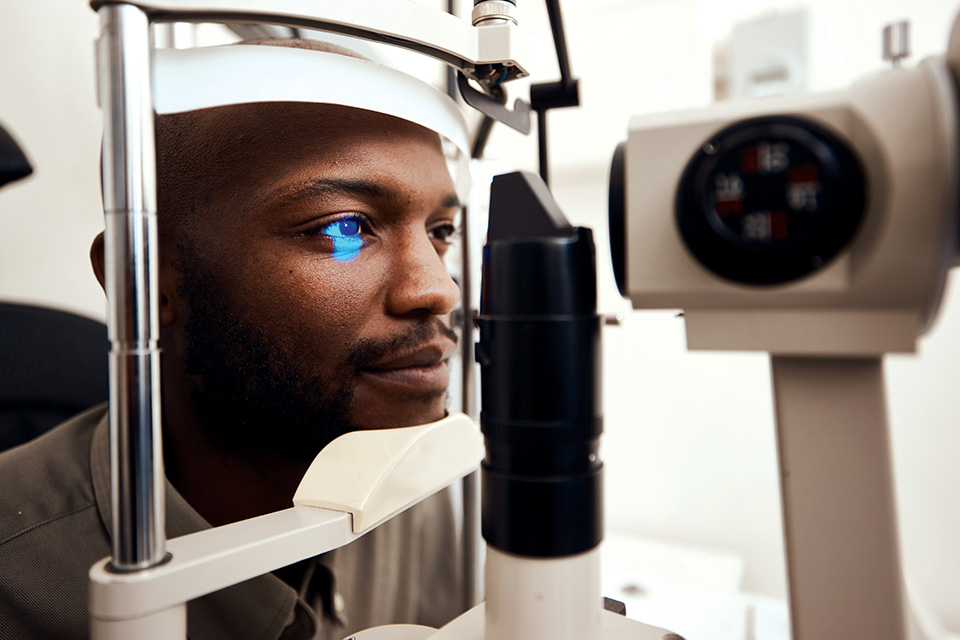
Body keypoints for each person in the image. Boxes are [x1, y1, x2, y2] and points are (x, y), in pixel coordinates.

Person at [0, 38, 465, 640]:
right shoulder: (16, 589)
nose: (437, 290)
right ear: (140, 280)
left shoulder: (420, 487)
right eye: (344, 228)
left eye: (441, 230)